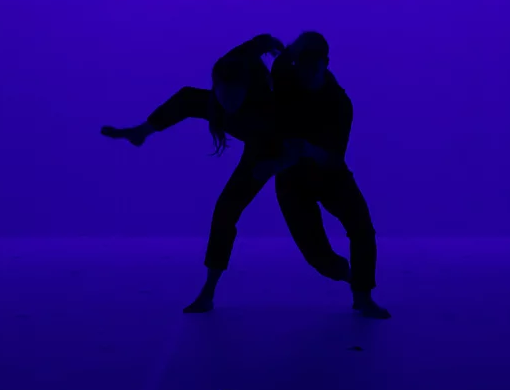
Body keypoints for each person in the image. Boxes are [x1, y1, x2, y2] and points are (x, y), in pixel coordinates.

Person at [102, 35, 303, 313]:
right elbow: (259, 42)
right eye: (224, 94)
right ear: (216, 88)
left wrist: (277, 164)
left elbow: (296, 142)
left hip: (267, 145)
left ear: (247, 89)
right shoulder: (221, 80)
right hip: (249, 126)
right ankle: (208, 292)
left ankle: (209, 291)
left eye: (235, 95)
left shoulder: (269, 107)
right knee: (224, 210)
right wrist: (272, 44)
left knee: (230, 207)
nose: (230, 102)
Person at [271, 32, 389, 318]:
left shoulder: (340, 103)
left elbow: (335, 157)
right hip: (291, 180)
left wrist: (308, 149)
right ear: (297, 63)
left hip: (330, 175)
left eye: (315, 67)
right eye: (303, 66)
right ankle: (348, 275)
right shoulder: (286, 81)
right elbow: (282, 61)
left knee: (362, 229)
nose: (308, 74)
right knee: (318, 258)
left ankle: (363, 296)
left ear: (326, 63)